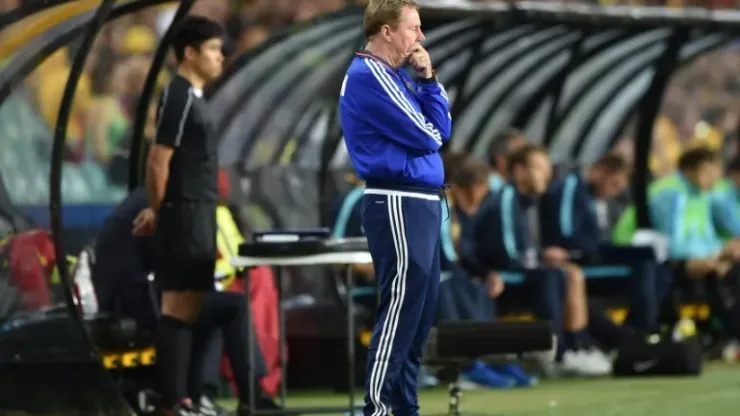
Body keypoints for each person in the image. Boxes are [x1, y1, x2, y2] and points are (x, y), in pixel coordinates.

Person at [338, 0, 452, 414]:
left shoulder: (398, 76)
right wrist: (427, 95)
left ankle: (405, 407)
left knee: (418, 317)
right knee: (401, 311)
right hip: (397, 201)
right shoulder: (370, 74)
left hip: (421, 202)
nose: (420, 37)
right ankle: (379, 408)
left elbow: (441, 129)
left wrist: (428, 78)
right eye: (413, 28)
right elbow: (431, 135)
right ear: (386, 31)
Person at [94, 188, 280, 416]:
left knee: (214, 307)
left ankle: (203, 395)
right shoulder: (159, 203)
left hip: (127, 297)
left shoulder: (140, 202)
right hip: (139, 299)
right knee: (233, 306)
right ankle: (248, 394)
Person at [130, 16, 227, 416]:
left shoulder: (194, 97)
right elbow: (158, 161)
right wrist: (160, 211)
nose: (221, 57)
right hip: (184, 212)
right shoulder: (179, 96)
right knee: (178, 304)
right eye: (213, 49)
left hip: (198, 210)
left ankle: (188, 395)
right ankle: (175, 400)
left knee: (192, 304)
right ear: (190, 53)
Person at [459, 145, 610, 377]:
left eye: (547, 169)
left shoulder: (530, 202)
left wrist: (543, 255)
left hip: (518, 271)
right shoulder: (507, 197)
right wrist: (538, 259)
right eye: (539, 168)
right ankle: (558, 350)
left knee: (568, 272)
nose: (546, 175)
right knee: (552, 275)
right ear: (519, 170)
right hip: (500, 276)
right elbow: (506, 253)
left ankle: (576, 346)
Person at [541, 154, 673, 335]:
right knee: (645, 259)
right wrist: (575, 249)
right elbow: (566, 229)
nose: (615, 192)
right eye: (614, 184)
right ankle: (642, 328)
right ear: (598, 172)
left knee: (654, 261)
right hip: (577, 253)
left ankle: (643, 325)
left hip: (593, 251)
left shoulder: (598, 201)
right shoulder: (572, 185)